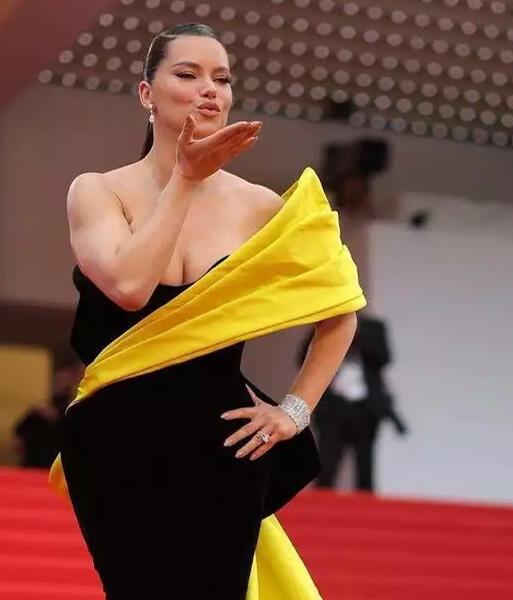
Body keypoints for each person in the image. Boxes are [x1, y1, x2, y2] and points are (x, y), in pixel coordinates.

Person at [53, 23, 365, 600]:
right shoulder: (98, 191)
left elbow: (341, 311)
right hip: (115, 439)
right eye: (187, 74)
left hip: (224, 440)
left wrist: (294, 411)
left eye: (221, 79)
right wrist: (184, 180)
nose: (209, 90)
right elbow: (129, 286)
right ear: (146, 94)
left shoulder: (261, 207)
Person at [297, 312, 406, 492]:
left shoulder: (374, 327)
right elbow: (304, 359)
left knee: (365, 462)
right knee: (327, 460)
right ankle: (322, 503)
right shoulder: (326, 324)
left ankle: (366, 506)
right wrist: (334, 340)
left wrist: (356, 336)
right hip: (333, 407)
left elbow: (384, 358)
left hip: (365, 408)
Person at [13, 362, 80, 468]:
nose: (60, 387)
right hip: (34, 466)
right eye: (58, 384)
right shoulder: (37, 413)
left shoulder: (73, 416)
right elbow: (17, 437)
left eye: (64, 385)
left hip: (57, 468)